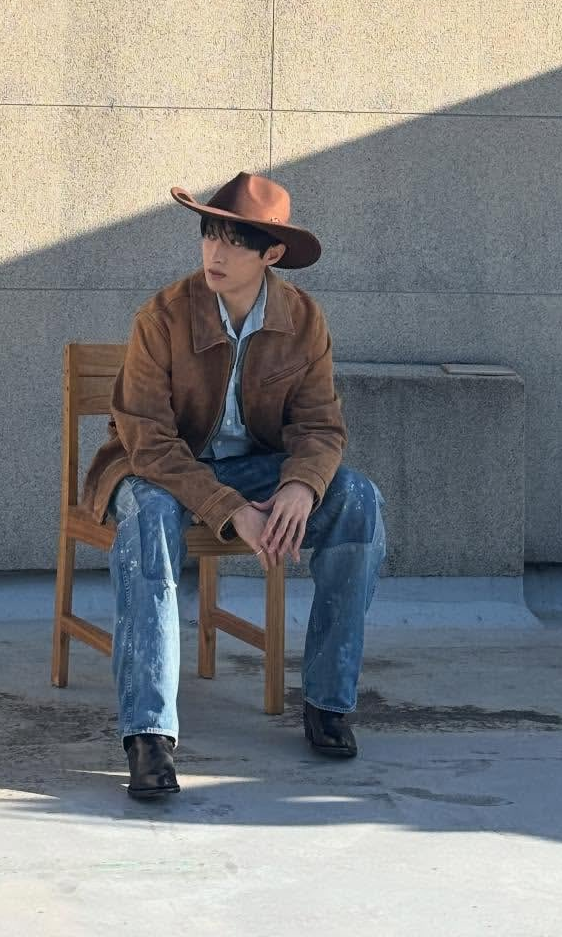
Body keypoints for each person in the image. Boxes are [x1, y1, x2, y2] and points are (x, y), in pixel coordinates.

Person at [80, 171, 387, 803]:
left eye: (235, 243)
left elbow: (321, 425)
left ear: (272, 254)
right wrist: (230, 510)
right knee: (149, 523)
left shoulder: (303, 321)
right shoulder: (163, 316)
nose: (215, 254)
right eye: (209, 236)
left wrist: (301, 487)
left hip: (259, 472)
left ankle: (328, 702)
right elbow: (148, 441)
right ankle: (148, 735)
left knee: (357, 501)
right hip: (155, 471)